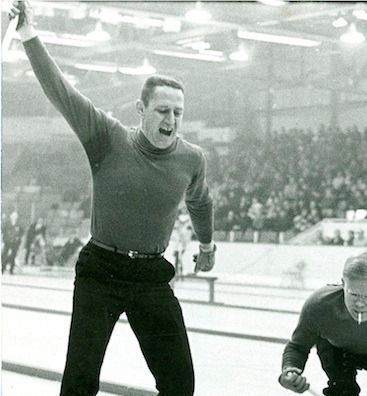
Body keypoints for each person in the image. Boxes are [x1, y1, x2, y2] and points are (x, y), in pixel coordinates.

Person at [9, 2, 216, 396]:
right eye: (161, 111)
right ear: (141, 110)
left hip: (151, 277)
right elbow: (62, 93)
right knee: (79, 382)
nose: (170, 122)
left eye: (178, 112)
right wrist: (28, 35)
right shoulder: (108, 137)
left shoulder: (191, 158)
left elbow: (200, 202)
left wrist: (207, 244)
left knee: (180, 383)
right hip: (100, 272)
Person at [279, 251, 367, 395]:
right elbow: (298, 346)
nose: (359, 303)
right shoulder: (320, 305)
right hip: (337, 351)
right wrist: (290, 370)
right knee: (342, 391)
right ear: (343, 284)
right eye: (353, 294)